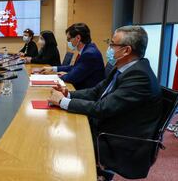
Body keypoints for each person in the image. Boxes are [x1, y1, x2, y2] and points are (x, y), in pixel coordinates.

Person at [48, 26, 162, 180]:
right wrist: (68, 94)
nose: (109, 48)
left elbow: (102, 108)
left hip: (119, 141)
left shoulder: (139, 75)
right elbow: (96, 92)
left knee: (59, 141)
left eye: (112, 44)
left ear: (126, 50)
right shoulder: (124, 67)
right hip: (108, 126)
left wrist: (63, 102)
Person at [37, 23, 105, 90]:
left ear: (78, 38)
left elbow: (72, 77)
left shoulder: (89, 54)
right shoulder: (88, 49)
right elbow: (74, 67)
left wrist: (56, 76)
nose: (68, 42)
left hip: (85, 92)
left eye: (69, 39)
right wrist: (52, 69)